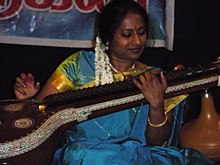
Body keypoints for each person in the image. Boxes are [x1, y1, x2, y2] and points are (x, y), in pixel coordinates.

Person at [14, 0, 215, 164]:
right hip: (85, 156)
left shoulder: (154, 77)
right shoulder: (77, 66)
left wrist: (156, 105)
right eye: (127, 35)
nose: (137, 41)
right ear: (108, 37)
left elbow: (157, 141)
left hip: (138, 157)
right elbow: (41, 117)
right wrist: (30, 100)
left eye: (142, 32)